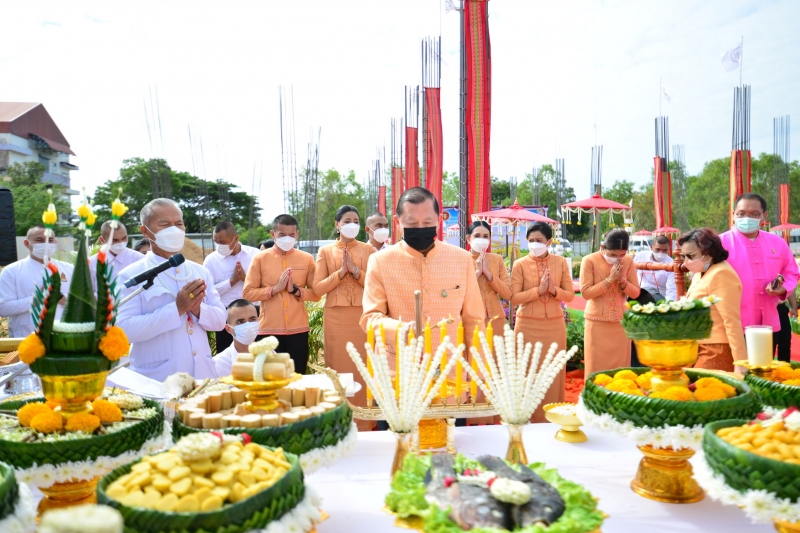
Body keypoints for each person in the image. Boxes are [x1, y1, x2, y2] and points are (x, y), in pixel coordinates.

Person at [361, 187, 485, 385]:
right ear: (397, 223)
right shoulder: (380, 261)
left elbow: (474, 320)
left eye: (427, 223)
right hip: (396, 374)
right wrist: (399, 329)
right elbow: (370, 317)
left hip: (450, 374)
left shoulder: (461, 259)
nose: (420, 228)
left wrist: (478, 373)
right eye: (411, 223)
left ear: (439, 220)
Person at [117, 199, 226, 381]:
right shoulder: (131, 275)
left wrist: (198, 309)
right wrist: (177, 309)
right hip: (158, 379)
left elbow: (220, 321)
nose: (174, 230)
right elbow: (124, 330)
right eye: (165, 224)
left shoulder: (199, 271)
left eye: (179, 224)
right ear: (145, 231)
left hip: (202, 376)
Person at [313, 205, 375, 430]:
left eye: (356, 221)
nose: (352, 225)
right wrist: (340, 273)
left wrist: (355, 271)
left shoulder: (369, 250)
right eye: (347, 221)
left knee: (363, 366)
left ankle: (365, 422)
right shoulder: (325, 251)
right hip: (336, 318)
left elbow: (377, 285)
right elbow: (317, 288)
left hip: (363, 316)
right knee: (339, 368)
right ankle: (340, 423)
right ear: (337, 224)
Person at [510, 222, 575, 422]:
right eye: (531, 240)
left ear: (549, 242)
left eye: (539, 240)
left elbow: (570, 295)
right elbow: (514, 298)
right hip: (527, 325)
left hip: (554, 325)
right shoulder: (520, 264)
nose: (534, 244)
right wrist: (538, 291)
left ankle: (551, 416)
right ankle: (527, 416)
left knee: (552, 372)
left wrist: (553, 290)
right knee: (527, 371)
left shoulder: (560, 262)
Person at [720, 193, 800, 353]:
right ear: (733, 214)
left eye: (754, 214)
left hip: (768, 322)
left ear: (764, 216)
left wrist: (783, 289)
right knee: (735, 367)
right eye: (741, 213)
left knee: (763, 365)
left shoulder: (777, 242)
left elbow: (791, 272)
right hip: (731, 324)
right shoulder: (720, 243)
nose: (746, 218)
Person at [243, 214, 320, 374]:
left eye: (291, 235)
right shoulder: (259, 259)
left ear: (297, 234)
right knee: (270, 379)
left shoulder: (306, 259)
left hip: (298, 331)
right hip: (269, 331)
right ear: (273, 234)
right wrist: (274, 289)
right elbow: (248, 293)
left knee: (298, 377)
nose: (287, 238)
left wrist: (295, 290)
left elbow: (316, 294)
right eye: (282, 234)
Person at [679, 228, 747, 370]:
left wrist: (740, 363)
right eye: (683, 256)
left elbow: (731, 321)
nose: (685, 262)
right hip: (696, 346)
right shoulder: (701, 272)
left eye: (690, 256)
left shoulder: (721, 273)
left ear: (708, 252)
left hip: (716, 349)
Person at [580, 229, 641, 375]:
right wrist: (610, 279)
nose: (618, 258)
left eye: (622, 255)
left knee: (620, 370)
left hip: (621, 322)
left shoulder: (628, 261)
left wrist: (622, 281)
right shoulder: (589, 260)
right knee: (596, 368)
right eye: (613, 255)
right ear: (603, 247)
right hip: (597, 322)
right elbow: (586, 293)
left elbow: (636, 293)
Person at [0, 225, 73, 337]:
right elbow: (3, 309)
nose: (46, 244)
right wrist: (38, 298)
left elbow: (83, 304)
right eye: (39, 240)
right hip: (26, 336)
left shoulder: (69, 269)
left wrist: (60, 297)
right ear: (26, 243)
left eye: (50, 240)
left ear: (55, 242)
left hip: (63, 336)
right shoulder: (11, 271)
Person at [203, 222, 260, 353]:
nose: (219, 246)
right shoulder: (211, 261)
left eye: (222, 242)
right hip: (226, 314)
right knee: (227, 353)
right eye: (216, 242)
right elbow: (208, 291)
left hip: (254, 312)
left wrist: (246, 279)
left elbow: (265, 286)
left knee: (257, 353)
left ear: (236, 238)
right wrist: (231, 282)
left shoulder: (255, 255)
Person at [466, 221, 511, 335]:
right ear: (468, 238)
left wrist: (488, 273)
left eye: (485, 236)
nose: (481, 239)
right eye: (477, 236)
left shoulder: (497, 259)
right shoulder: (462, 259)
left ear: (490, 239)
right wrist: (477, 273)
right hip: (471, 319)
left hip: (496, 320)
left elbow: (507, 294)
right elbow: (460, 293)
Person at [89, 221, 144, 288]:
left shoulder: (139, 259)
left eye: (124, 238)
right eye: (115, 240)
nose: (121, 243)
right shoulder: (92, 263)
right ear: (102, 240)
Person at [214, 299, 260, 377]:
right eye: (240, 322)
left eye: (252, 319)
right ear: (228, 329)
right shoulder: (218, 364)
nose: (248, 326)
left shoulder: (271, 357)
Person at [633, 236, 677, 301]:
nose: (661, 253)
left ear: (669, 249)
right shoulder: (640, 256)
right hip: (638, 296)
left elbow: (672, 290)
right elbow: (631, 275)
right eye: (657, 249)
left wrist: (668, 305)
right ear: (651, 247)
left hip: (659, 299)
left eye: (664, 250)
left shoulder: (671, 264)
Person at [774, 292, 798, 362]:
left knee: (784, 343)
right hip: (763, 309)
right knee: (765, 344)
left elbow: (789, 289)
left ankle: (784, 367)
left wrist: (794, 307)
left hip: (780, 308)